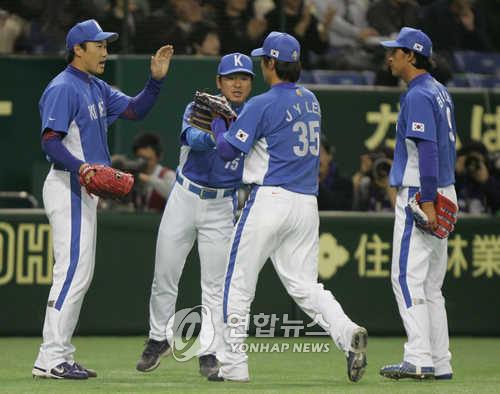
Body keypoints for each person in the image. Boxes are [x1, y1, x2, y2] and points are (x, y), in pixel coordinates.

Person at [207, 31, 368, 383]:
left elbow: (227, 151)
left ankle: (233, 366)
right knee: (306, 287)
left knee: (237, 284)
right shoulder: (312, 100)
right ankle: (347, 332)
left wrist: (220, 122)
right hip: (306, 204)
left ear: (269, 64)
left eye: (263, 60)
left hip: (270, 200)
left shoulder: (261, 103)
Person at [32, 19, 173, 380]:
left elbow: (135, 110)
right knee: (72, 273)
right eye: (99, 45)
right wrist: (81, 169)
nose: (105, 52)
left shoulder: (95, 86)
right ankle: (51, 357)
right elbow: (49, 141)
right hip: (68, 183)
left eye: (107, 45)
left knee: (79, 273)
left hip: (82, 185)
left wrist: (155, 81)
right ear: (78, 49)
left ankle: (58, 354)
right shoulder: (63, 87)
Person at [136, 53, 254, 377]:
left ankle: (210, 351)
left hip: (222, 204)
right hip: (185, 196)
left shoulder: (254, 116)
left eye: (244, 77)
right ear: (219, 82)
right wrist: (218, 136)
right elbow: (190, 137)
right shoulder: (203, 108)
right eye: (231, 77)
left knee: (214, 285)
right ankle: (158, 338)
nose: (238, 83)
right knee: (165, 274)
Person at [378, 27, 457, 380]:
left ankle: (418, 357)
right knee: (430, 286)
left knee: (405, 279)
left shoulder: (419, 95)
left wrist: (425, 200)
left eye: (395, 51)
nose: (389, 56)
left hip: (421, 192)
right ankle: (440, 361)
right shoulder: (439, 91)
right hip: (444, 188)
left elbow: (426, 149)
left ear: (411, 55)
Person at [131, 132, 176, 212]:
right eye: (141, 158)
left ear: (158, 156)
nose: (145, 162)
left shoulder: (168, 175)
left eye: (148, 159)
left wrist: (147, 178)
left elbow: (173, 194)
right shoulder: (134, 175)